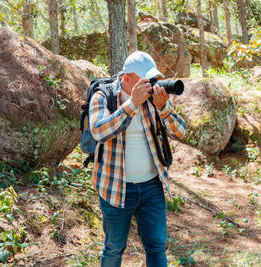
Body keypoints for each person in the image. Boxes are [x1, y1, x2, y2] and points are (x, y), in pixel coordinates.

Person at [89, 51, 187, 267]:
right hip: (115, 188)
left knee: (156, 246)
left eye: (152, 79)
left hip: (151, 186)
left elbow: (181, 131)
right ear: (126, 78)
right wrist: (132, 103)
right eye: (145, 79)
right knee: (114, 248)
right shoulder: (103, 96)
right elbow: (98, 131)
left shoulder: (153, 99)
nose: (150, 84)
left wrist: (163, 107)